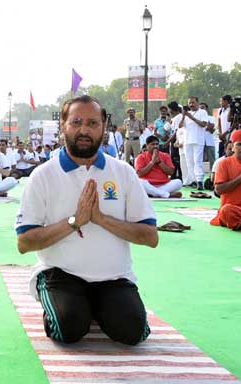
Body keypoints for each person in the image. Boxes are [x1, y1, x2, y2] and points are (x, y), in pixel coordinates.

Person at [16, 95, 158, 345]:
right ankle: (69, 303)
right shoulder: (43, 175)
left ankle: (94, 306)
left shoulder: (123, 172)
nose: (84, 130)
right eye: (76, 122)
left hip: (113, 277)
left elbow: (150, 237)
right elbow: (24, 242)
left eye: (92, 123)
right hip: (61, 274)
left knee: (133, 333)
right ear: (63, 125)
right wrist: (75, 221)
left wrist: (101, 219)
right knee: (68, 330)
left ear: (104, 127)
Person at [181, 97, 210, 190]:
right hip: (187, 141)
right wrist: (184, 116)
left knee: (197, 161)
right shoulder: (187, 114)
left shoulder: (202, 112)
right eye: (189, 103)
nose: (191, 105)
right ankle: (193, 181)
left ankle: (199, 181)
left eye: (193, 102)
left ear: (197, 103)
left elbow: (203, 124)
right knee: (189, 162)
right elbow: (180, 126)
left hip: (198, 140)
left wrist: (191, 117)